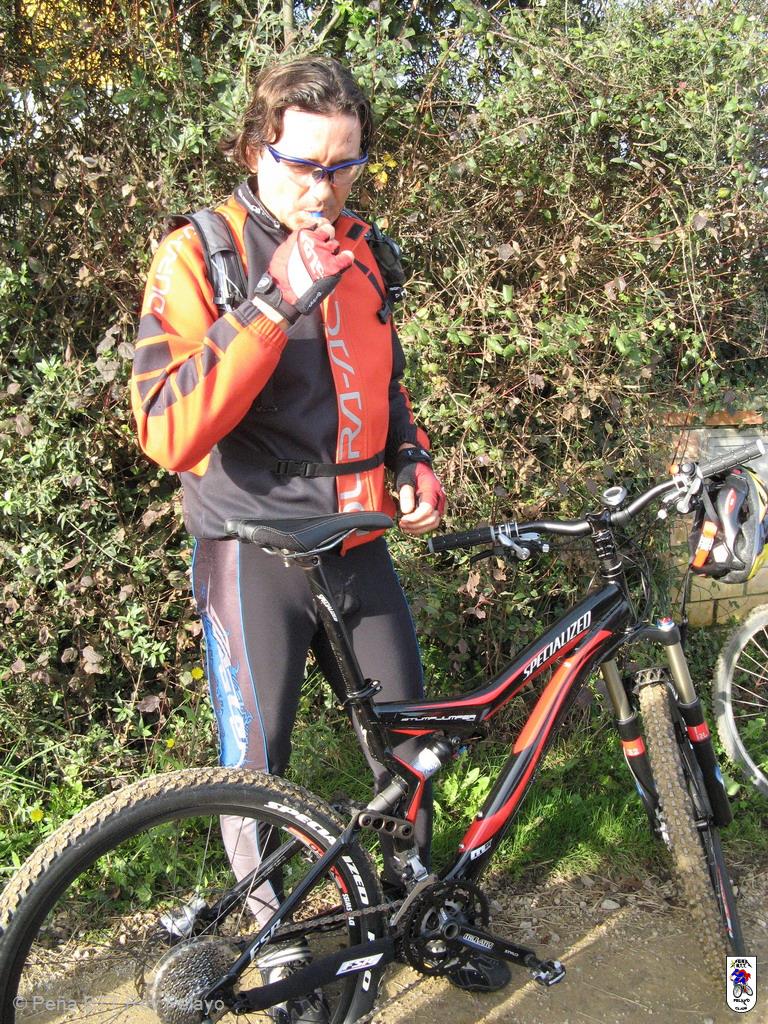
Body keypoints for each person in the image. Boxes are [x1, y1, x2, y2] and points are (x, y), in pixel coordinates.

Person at [130, 55, 509, 1016]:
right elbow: (167, 429)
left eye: (345, 166)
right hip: (249, 548)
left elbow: (382, 380)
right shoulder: (198, 254)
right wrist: (273, 300)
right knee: (256, 776)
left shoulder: (364, 249)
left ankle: (415, 914)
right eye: (304, 165)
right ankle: (274, 954)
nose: (324, 189)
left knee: (414, 747)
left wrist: (412, 456)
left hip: (357, 543)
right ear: (255, 150)